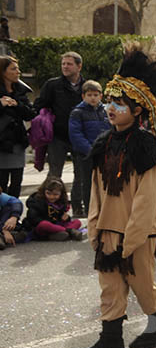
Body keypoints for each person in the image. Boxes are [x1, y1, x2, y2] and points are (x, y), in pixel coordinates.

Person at [73, 39, 156, 348]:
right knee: (110, 287)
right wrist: (94, 225)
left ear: (137, 110)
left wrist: (134, 237)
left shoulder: (145, 146)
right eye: (109, 101)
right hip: (109, 229)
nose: (111, 108)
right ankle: (110, 342)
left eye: (119, 103)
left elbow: (147, 197)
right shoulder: (103, 143)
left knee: (141, 284)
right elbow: (96, 190)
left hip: (137, 231)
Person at [34, 52, 85, 193]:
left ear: (79, 66)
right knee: (54, 175)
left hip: (79, 137)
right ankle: (49, 205)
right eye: (63, 64)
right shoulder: (52, 85)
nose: (65, 67)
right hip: (58, 137)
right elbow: (38, 106)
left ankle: (78, 206)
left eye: (69, 64)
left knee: (81, 174)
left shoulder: (87, 87)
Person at [68, 80, 110, 217]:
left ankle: (104, 210)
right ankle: (89, 211)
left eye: (96, 95)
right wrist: (91, 150)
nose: (93, 98)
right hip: (86, 155)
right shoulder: (77, 113)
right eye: (89, 95)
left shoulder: (106, 111)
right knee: (88, 184)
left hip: (105, 154)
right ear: (83, 96)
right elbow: (76, 135)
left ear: (101, 96)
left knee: (105, 183)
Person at [0, 55, 34, 197]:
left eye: (18, 68)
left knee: (16, 183)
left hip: (17, 142)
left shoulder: (20, 90)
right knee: (1, 184)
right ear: (3, 72)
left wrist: (17, 104)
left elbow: (30, 113)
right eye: (13, 69)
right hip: (1, 144)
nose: (18, 72)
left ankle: (14, 214)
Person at [23, 176, 85, 241]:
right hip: (40, 227)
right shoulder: (37, 201)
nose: (51, 197)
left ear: (61, 194)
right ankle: (68, 231)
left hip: (56, 225)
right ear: (44, 191)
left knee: (77, 222)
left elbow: (60, 216)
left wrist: (66, 218)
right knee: (44, 224)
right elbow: (33, 219)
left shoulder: (61, 202)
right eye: (48, 193)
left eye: (55, 194)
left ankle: (60, 234)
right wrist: (51, 223)